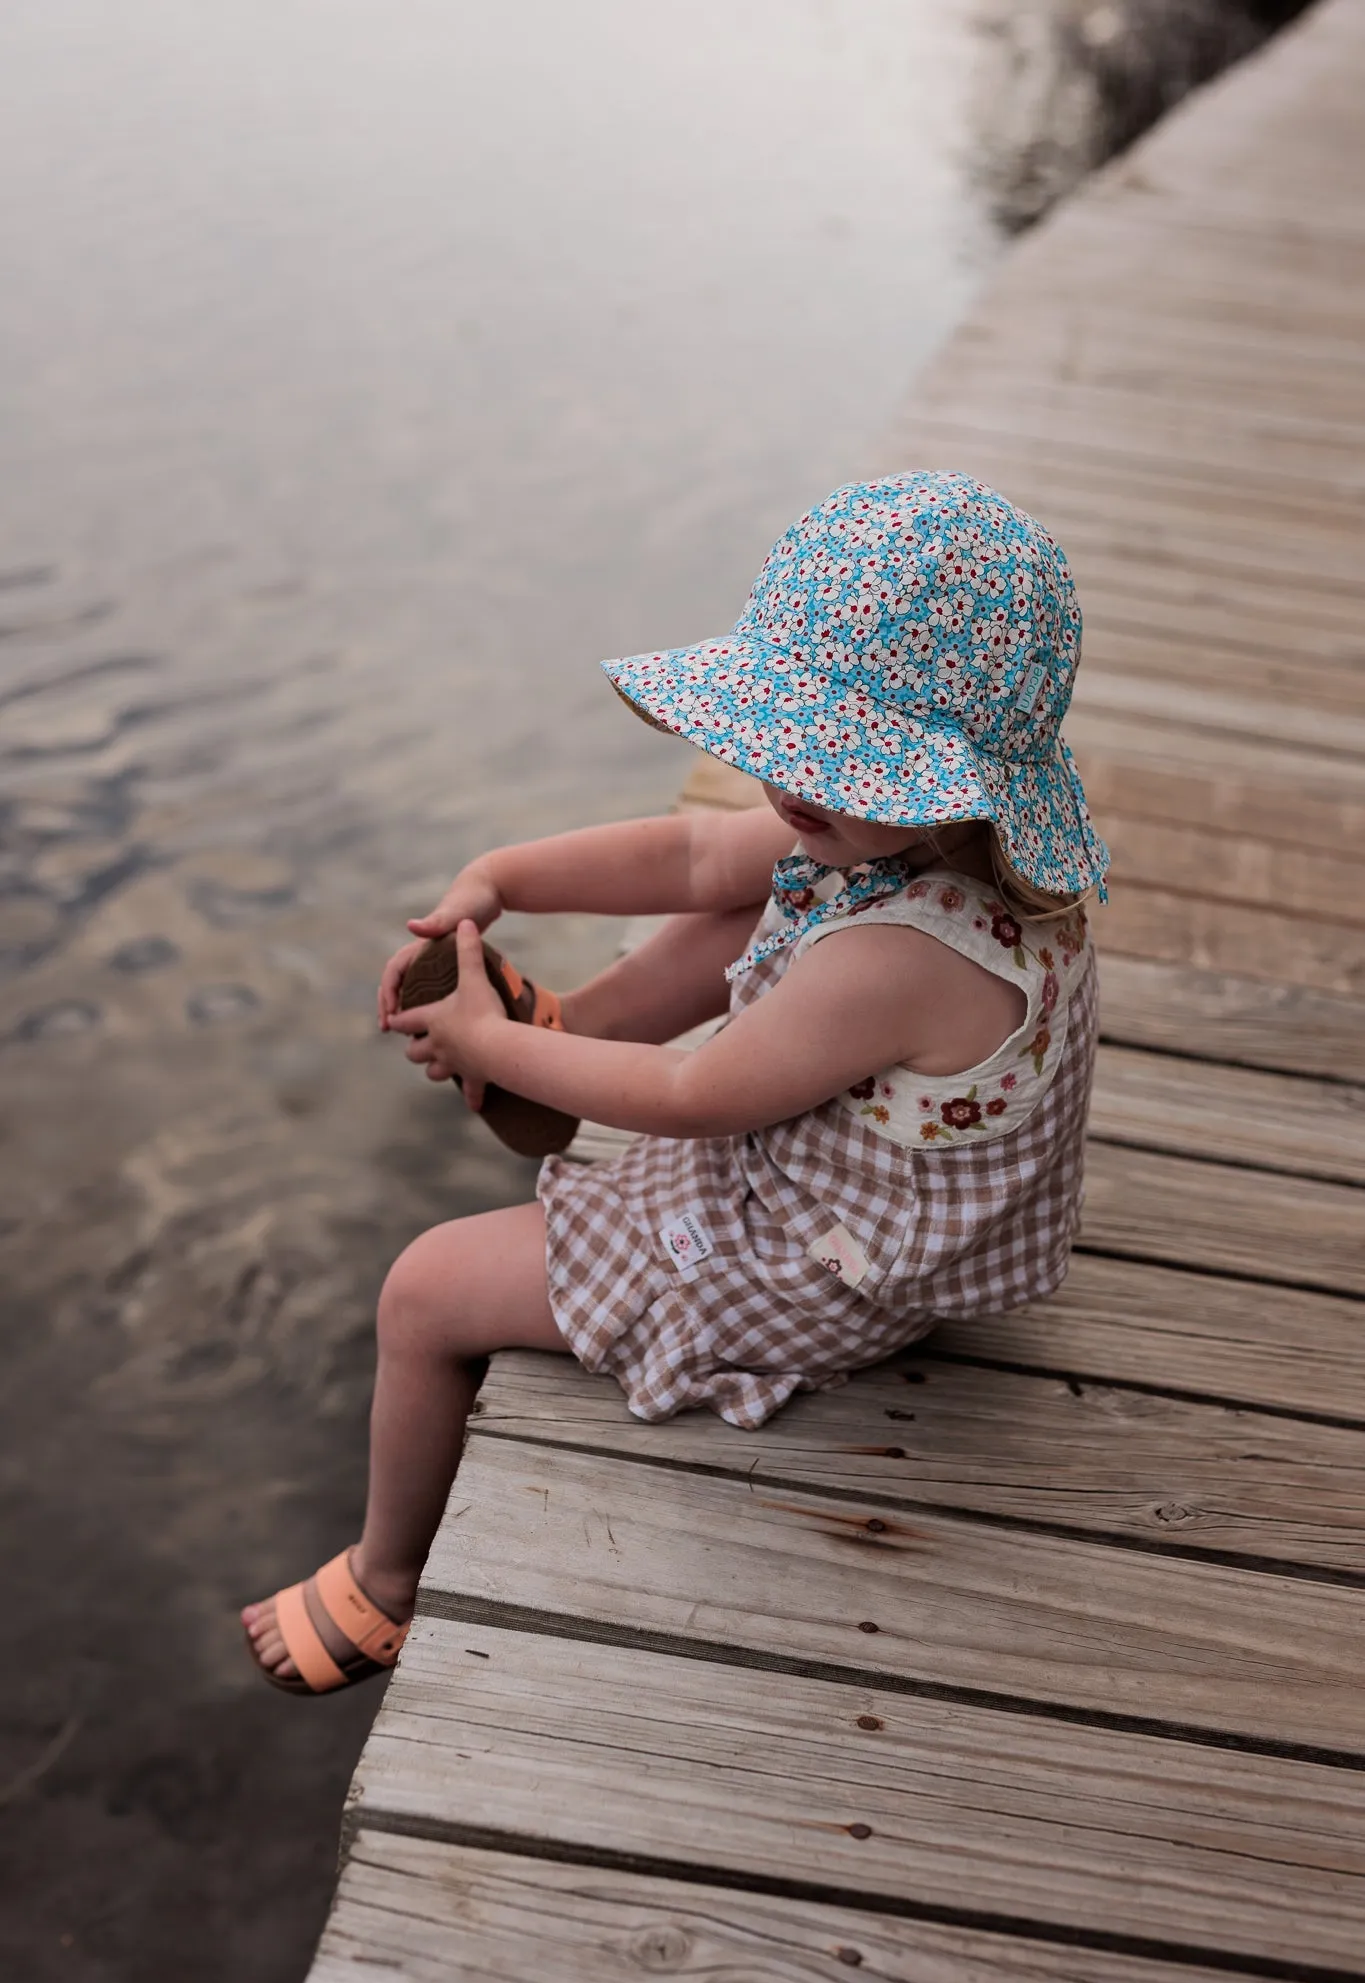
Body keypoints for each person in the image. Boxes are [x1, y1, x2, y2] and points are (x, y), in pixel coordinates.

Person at [242, 470, 1109, 1694]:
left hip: (816, 1265)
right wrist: (505, 874)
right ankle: (571, 1021)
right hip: (866, 1166)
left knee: (424, 1290)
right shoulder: (933, 843)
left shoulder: (900, 955)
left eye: (826, 756)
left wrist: (491, 1050)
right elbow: (698, 850)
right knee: (764, 887)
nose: (787, 780)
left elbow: (691, 1097)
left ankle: (386, 1580)